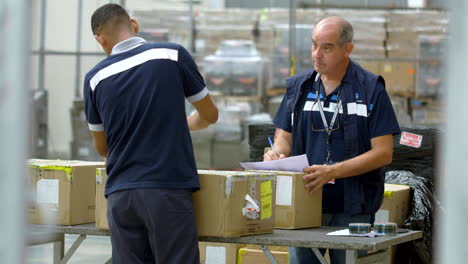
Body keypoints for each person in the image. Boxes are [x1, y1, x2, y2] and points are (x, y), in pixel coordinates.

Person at [83, 4, 218, 264]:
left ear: (100, 39)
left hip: (121, 196)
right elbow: (210, 115)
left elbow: (102, 148)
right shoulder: (171, 54)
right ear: (134, 24)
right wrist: (184, 123)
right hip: (166, 189)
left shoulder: (95, 78)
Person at [264, 16, 400, 264]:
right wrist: (276, 154)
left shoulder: (370, 89)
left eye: (327, 47)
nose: (317, 54)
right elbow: (284, 135)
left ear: (348, 49)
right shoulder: (299, 88)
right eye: (314, 45)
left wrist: (332, 171)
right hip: (304, 201)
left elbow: (383, 153)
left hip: (352, 207)